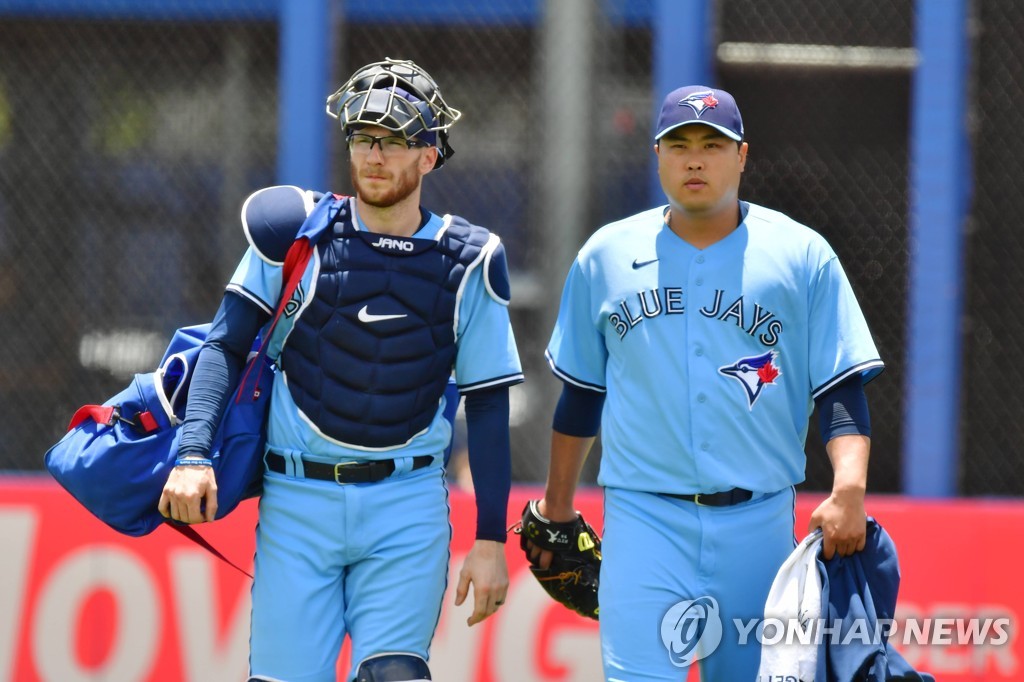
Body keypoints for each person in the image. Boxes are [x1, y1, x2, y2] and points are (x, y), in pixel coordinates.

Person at [158, 58, 524, 682]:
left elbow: (487, 402)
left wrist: (491, 539)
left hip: (406, 501)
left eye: (393, 140)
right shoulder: (293, 231)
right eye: (362, 138)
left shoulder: (470, 260)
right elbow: (223, 346)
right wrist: (193, 455)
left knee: (395, 676)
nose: (374, 155)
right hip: (298, 498)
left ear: (429, 156)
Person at [528, 85, 884, 681]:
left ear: (742, 156)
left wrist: (849, 486)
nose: (695, 159)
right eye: (680, 145)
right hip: (644, 520)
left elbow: (841, 390)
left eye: (712, 145)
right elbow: (583, 395)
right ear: (658, 155)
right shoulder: (605, 256)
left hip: (761, 524)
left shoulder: (802, 255)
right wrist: (557, 505)